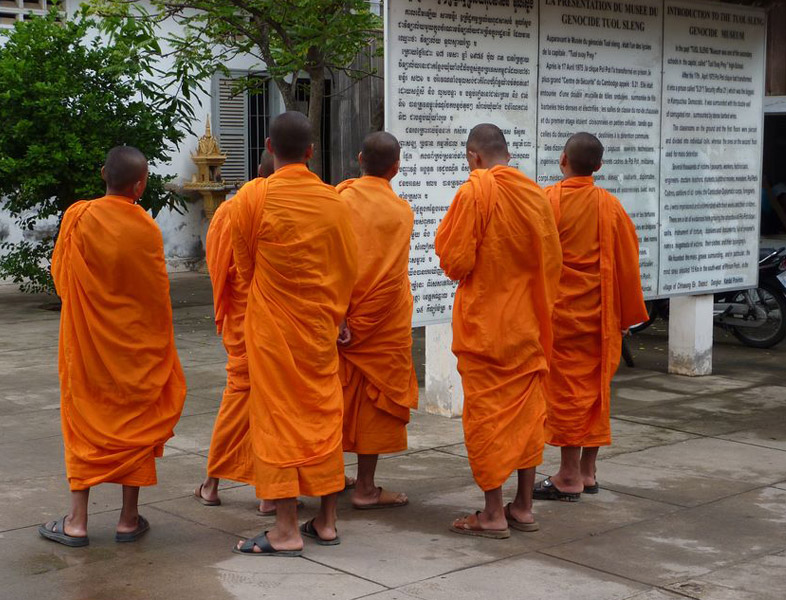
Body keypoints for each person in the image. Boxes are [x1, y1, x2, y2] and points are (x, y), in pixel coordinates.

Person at [40, 146, 187, 547]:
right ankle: (127, 518)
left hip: (89, 344)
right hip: (136, 347)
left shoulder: (79, 217)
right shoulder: (147, 228)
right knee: (135, 419)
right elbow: (157, 296)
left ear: (103, 173)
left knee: (84, 419)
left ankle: (77, 521)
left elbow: (62, 280)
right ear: (140, 186)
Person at [229, 112, 358, 556]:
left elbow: (243, 267)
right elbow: (345, 268)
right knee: (322, 415)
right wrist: (337, 316)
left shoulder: (252, 198)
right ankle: (326, 520)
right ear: (310, 152)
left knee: (278, 419)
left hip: (272, 328)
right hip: (320, 325)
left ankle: (285, 529)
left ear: (267, 146)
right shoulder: (334, 200)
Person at [435, 124, 562, 539]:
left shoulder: (475, 191)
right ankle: (523, 507)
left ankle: (491, 513)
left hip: (487, 328)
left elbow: (454, 261)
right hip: (527, 324)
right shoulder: (536, 195)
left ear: (474, 156)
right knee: (527, 416)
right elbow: (551, 262)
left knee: (487, 417)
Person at [534, 132, 648, 502]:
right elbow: (628, 261)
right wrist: (627, 313)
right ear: (598, 167)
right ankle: (588, 471)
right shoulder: (610, 206)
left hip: (561, 317)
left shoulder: (548, 201)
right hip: (601, 319)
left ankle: (568, 476)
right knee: (595, 391)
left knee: (568, 394)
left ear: (562, 159)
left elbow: (531, 257)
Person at [195, 151, 282, 516]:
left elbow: (217, 269)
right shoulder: (284, 208)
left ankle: (212, 484)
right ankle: (268, 492)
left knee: (239, 398)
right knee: (276, 405)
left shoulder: (228, 212)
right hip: (279, 323)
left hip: (243, 320)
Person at [336, 132, 418, 510]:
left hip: (339, 319)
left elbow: (330, 262)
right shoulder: (402, 212)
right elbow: (390, 273)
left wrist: (339, 315)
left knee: (333, 399)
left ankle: (332, 475)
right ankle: (366, 487)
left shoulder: (339, 200)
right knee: (375, 404)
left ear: (358, 158)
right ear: (396, 167)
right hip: (382, 323)